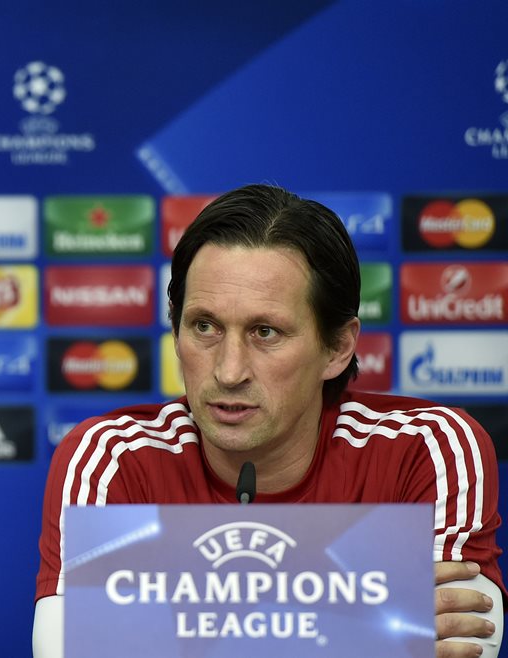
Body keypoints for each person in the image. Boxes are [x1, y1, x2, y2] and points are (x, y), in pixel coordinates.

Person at [33, 184, 503, 658]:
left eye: (265, 332)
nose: (228, 371)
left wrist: (178, 625)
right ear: (174, 328)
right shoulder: (112, 458)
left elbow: (465, 642)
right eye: (204, 327)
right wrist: (366, 622)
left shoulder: (427, 448)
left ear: (338, 346)